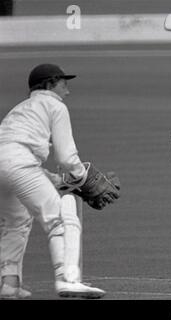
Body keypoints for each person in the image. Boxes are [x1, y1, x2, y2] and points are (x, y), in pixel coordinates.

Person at [0, 64, 114, 299]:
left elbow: (14, 154)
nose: (68, 90)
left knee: (16, 223)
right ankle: (68, 279)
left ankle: (9, 284)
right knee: (60, 219)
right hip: (20, 165)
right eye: (64, 83)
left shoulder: (20, 109)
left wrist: (56, 180)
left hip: (7, 164)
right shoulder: (55, 106)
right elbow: (66, 156)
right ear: (51, 83)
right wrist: (81, 178)